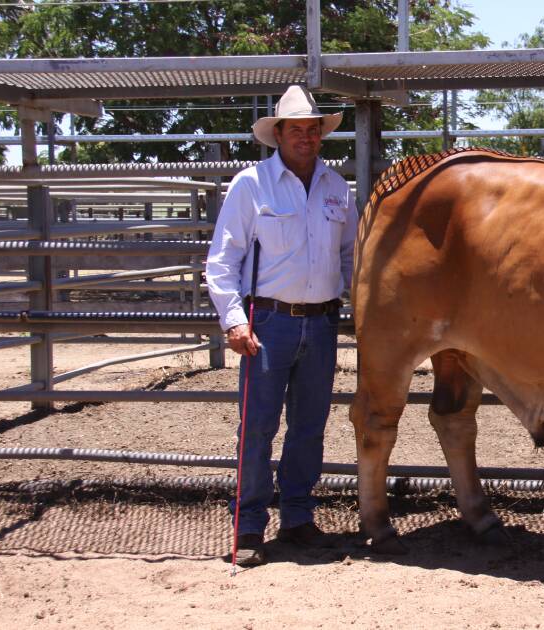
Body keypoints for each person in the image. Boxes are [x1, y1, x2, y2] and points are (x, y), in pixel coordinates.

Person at [205, 85, 357, 566]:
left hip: (322, 321)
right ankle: (249, 525)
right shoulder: (251, 184)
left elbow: (351, 257)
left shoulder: (337, 188)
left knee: (309, 427)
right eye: (297, 130)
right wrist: (233, 320)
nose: (306, 138)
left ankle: (296, 516)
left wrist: (367, 306)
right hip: (266, 322)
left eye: (313, 130)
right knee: (258, 427)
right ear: (279, 134)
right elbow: (222, 260)